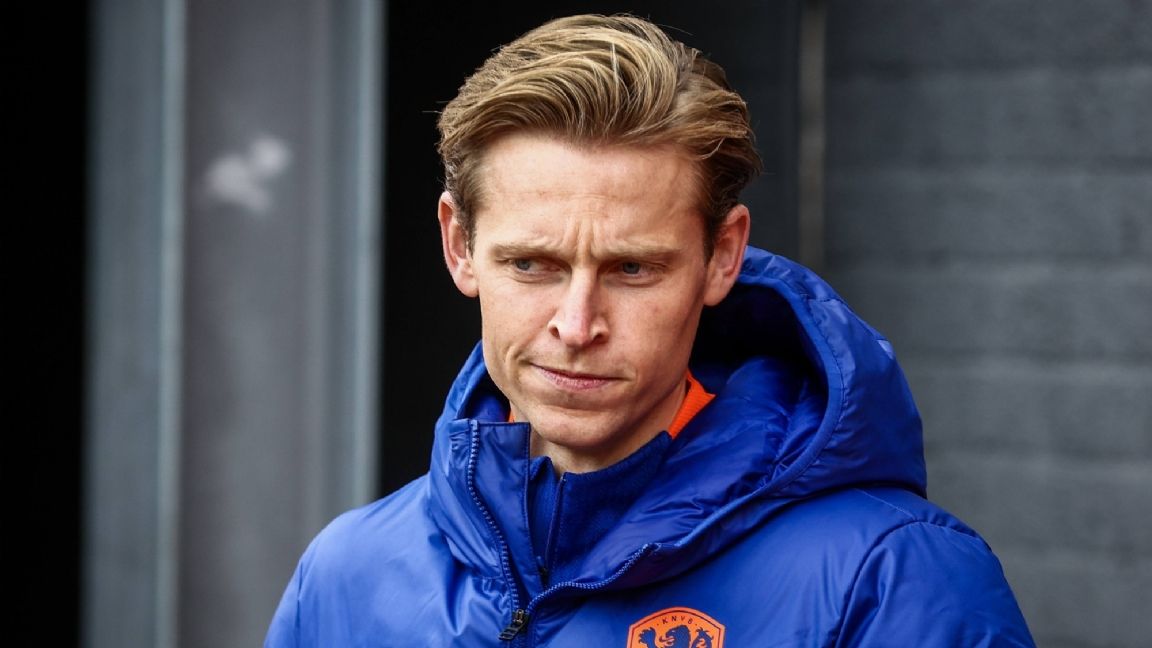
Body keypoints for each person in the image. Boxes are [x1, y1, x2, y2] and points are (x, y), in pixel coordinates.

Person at [266, 14, 1034, 647]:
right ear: (459, 246)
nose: (577, 325)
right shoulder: (347, 575)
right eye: (532, 264)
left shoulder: (894, 580)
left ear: (722, 256)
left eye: (632, 269)